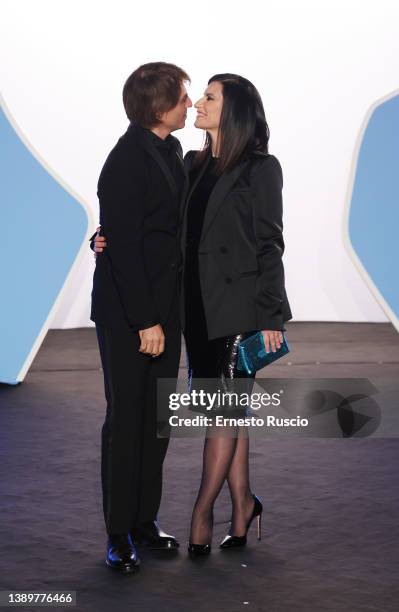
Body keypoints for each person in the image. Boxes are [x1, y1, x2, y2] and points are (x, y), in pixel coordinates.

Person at [94, 73, 292, 557]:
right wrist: (105, 240)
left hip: (234, 311)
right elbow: (142, 223)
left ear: (235, 110)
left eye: (207, 96)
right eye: (192, 96)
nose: (196, 103)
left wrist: (271, 316)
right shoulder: (191, 162)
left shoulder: (261, 169)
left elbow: (269, 242)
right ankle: (239, 505)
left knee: (222, 410)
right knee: (219, 409)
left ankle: (204, 512)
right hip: (189, 311)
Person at [90, 61, 192, 572]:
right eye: (182, 97)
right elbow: (124, 248)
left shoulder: (172, 150)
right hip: (132, 314)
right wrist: (146, 321)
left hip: (163, 310)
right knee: (126, 421)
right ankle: (117, 534)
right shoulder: (127, 159)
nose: (189, 104)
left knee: (156, 422)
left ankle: (144, 522)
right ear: (158, 106)